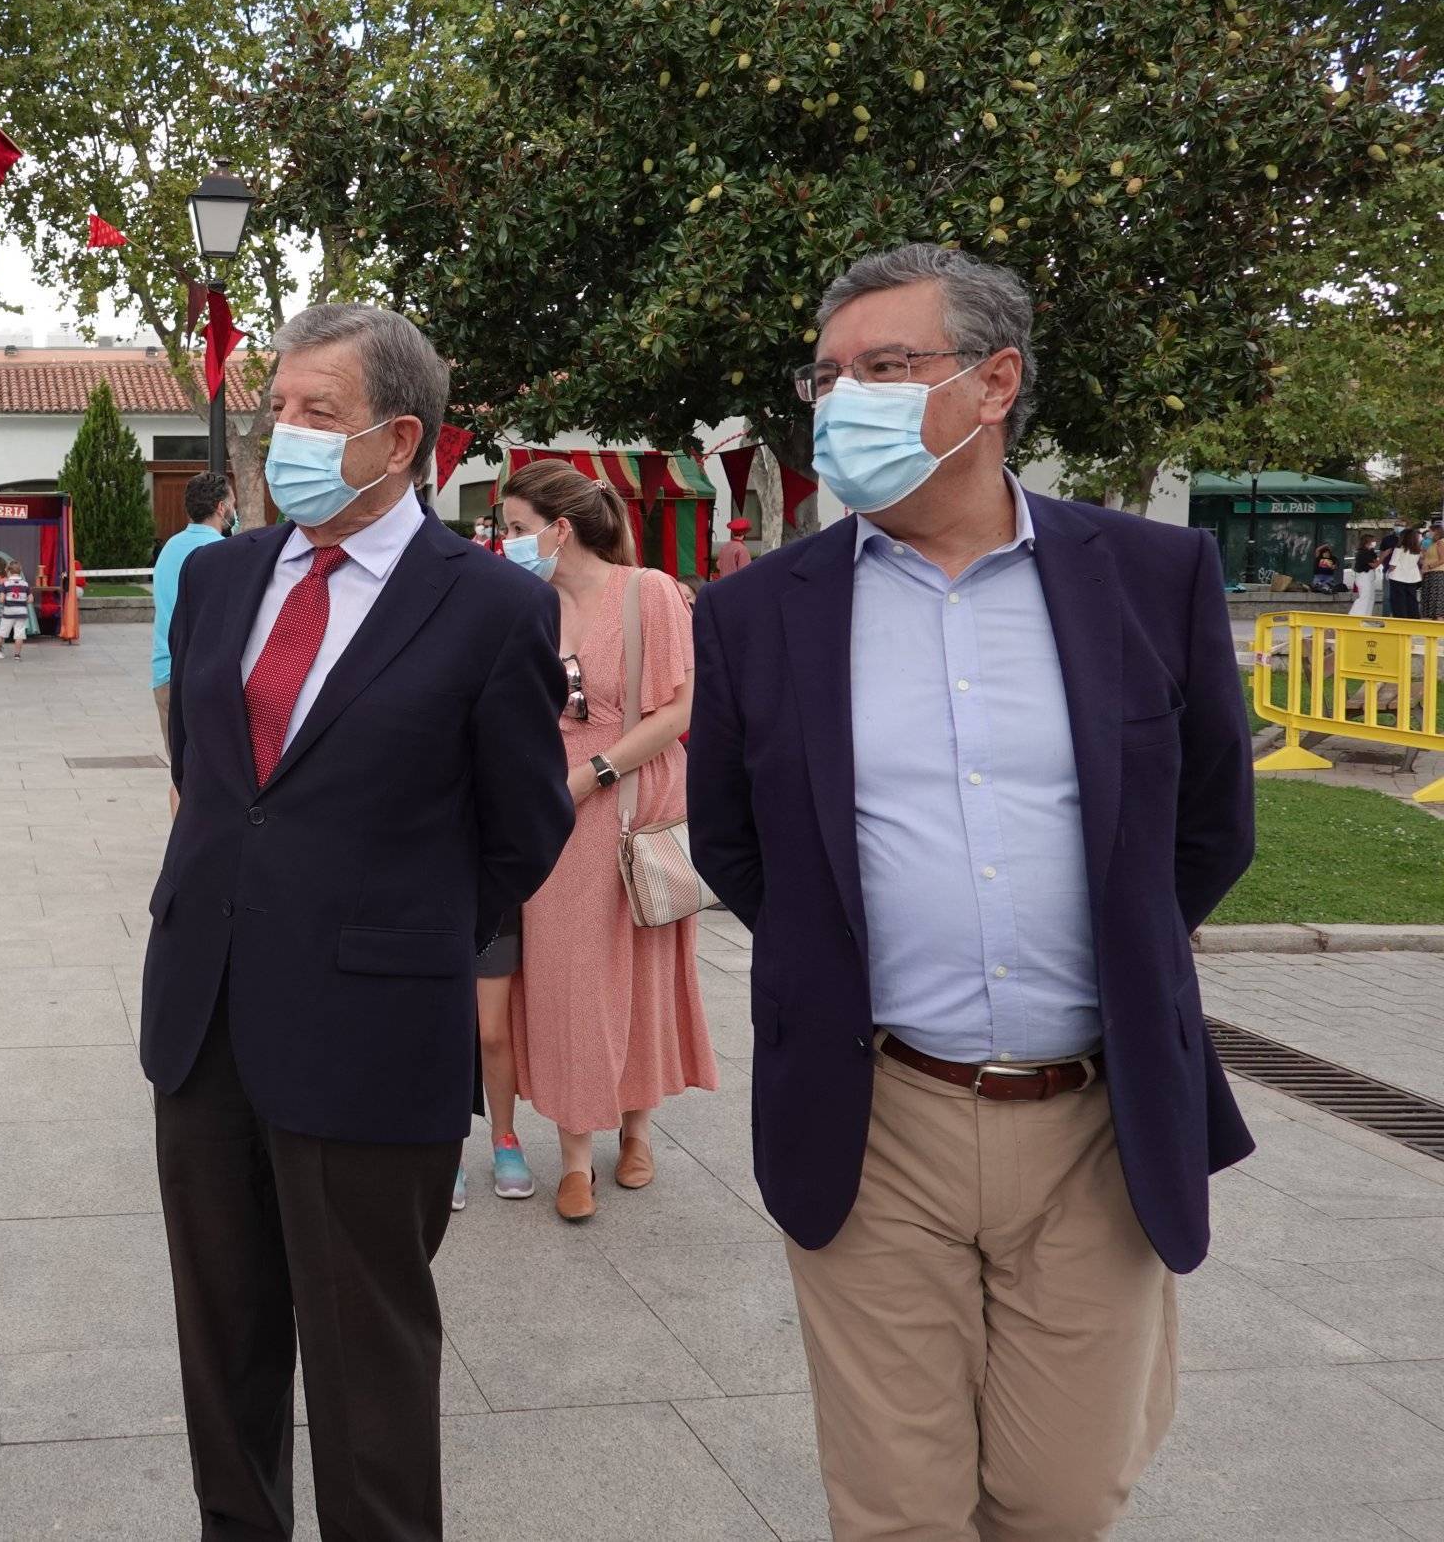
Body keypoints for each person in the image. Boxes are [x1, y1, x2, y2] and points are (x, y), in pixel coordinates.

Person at [688, 244, 1255, 1542]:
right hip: (878, 1113)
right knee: (898, 1508)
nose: (844, 400)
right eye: (827, 375)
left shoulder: (1154, 579)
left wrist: (1116, 955)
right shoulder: (757, 615)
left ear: (995, 381)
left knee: (1059, 1498)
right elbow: (738, 843)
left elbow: (1210, 825)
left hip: (1095, 1124)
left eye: (887, 367)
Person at [144, 302, 573, 1542]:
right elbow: (217, 782)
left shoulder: (488, 608)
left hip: (372, 1033)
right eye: (277, 405)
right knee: (219, 1350)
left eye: (314, 413)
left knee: (366, 1362)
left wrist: (393, 935)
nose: (281, 433)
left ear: (397, 440)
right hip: (202, 1014)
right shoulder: (221, 579)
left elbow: (520, 831)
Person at [497, 458, 715, 1223]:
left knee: (641, 966)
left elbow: (679, 708)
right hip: (551, 813)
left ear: (561, 528)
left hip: (629, 795)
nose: (506, 541)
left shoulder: (647, 591)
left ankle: (638, 1126)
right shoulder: (527, 604)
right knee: (563, 977)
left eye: (517, 528)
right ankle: (577, 1154)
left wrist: (592, 772)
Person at [152, 472, 233, 735]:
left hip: (165, 671)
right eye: (233, 503)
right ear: (221, 508)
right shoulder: (223, 553)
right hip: (205, 679)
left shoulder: (169, 548)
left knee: (178, 771)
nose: (234, 509)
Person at [0, 560, 34, 658]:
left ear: (8, 571)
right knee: (19, 634)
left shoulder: (5, 584)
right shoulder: (25, 584)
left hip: (8, 612)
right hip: (21, 612)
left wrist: (2, 600)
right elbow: (31, 599)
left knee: (2, 632)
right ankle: (17, 655)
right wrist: (22, 602)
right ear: (20, 571)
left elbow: (1, 599)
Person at [1387, 524, 1425, 619]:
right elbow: (1420, 562)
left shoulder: (1399, 548)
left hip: (1397, 577)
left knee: (1398, 601)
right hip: (1412, 578)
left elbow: (1393, 565)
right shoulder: (1417, 550)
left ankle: (1401, 620)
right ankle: (1414, 619)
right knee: (1412, 600)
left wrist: (1387, 573)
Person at [1350, 535, 1386, 617]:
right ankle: (1355, 615)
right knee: (1364, 597)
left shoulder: (1370, 552)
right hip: (1363, 577)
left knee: (1370, 598)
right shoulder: (1363, 552)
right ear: (1367, 542)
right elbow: (1374, 565)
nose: (1374, 543)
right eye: (1372, 541)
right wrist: (1383, 557)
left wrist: (1379, 559)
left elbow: (1375, 560)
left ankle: (1366, 616)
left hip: (1370, 577)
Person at [1422, 527, 1444, 619]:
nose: (1428, 533)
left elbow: (1442, 559)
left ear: (1436, 532)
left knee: (1436, 599)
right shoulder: (1433, 543)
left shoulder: (1440, 543)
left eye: (1430, 531)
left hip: (1437, 574)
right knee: (1430, 599)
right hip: (1430, 574)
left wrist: (1430, 566)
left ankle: (1439, 619)